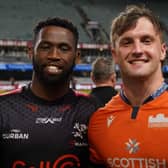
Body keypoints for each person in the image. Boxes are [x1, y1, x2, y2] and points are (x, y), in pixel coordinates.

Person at [0, 17, 100, 168]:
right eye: (45, 47)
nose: (54, 55)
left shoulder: (92, 110)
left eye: (64, 48)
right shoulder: (3, 108)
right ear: (30, 52)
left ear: (77, 57)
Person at [88, 5, 168, 168]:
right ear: (115, 55)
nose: (138, 50)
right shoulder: (99, 122)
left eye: (146, 41)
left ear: (162, 51)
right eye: (127, 42)